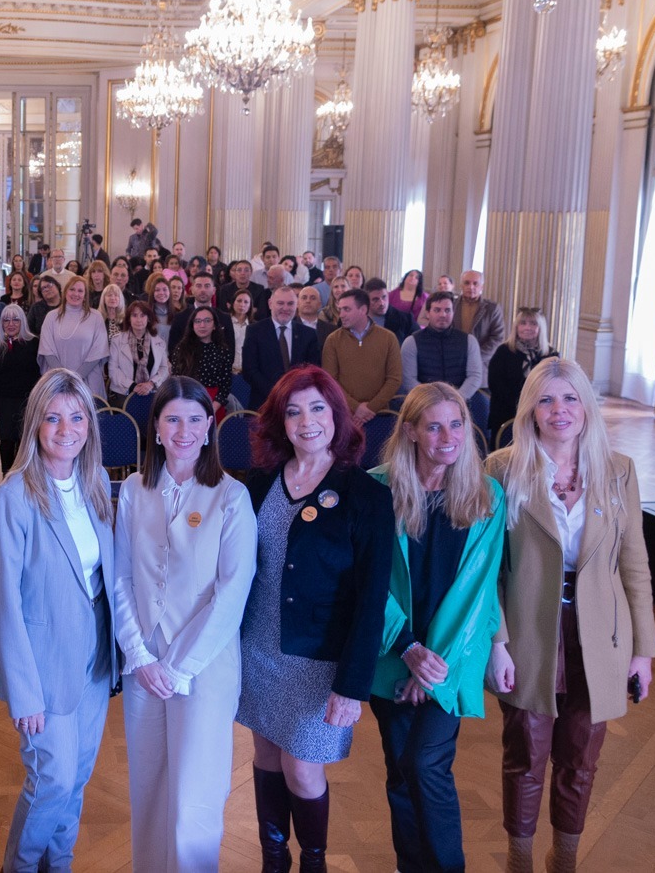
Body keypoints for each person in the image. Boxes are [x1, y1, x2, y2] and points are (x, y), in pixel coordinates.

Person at [484, 358, 655, 873]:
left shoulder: (618, 469)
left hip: (599, 637)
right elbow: (487, 570)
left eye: (570, 398)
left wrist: (644, 651)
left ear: (586, 406)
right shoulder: (501, 468)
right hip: (527, 635)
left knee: (581, 758)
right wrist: (497, 642)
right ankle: (519, 861)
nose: (559, 411)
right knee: (525, 756)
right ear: (530, 411)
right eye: (546, 400)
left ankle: (565, 860)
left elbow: (636, 565)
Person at [239, 365, 396, 873]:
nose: (306, 421)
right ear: (279, 421)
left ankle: (314, 863)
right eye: (293, 411)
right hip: (258, 649)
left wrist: (352, 686)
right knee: (265, 759)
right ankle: (273, 860)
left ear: (338, 415)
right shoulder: (259, 482)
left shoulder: (367, 495)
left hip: (321, 662)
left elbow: (373, 600)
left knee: (302, 771)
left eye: (317, 408)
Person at [114, 377, 258, 871]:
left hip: (204, 667)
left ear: (210, 427)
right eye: (172, 418)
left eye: (195, 419)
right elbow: (119, 579)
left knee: (194, 795)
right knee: (149, 787)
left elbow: (232, 592)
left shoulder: (232, 496)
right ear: (155, 428)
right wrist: (139, 655)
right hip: (144, 665)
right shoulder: (134, 490)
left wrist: (178, 668)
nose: (184, 429)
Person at [368, 383, 508, 873]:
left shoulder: (487, 495)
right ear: (410, 431)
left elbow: (479, 593)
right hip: (390, 656)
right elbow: (363, 585)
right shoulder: (375, 489)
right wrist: (407, 649)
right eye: (434, 426)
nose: (448, 436)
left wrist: (431, 669)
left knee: (425, 765)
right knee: (399, 772)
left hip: (451, 660)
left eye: (457, 424)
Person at [0, 368, 118, 873]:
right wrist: (25, 693)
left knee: (78, 776)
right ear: (36, 424)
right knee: (53, 779)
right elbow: (4, 605)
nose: (67, 429)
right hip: (42, 668)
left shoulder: (99, 482)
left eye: (77, 416)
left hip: (94, 660)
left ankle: (58, 865)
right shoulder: (13, 497)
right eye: (54, 418)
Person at [322, 288, 404, 426]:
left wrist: (370, 408)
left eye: (346, 309)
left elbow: (394, 379)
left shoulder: (388, 338)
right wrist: (356, 408)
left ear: (363, 310)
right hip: (345, 415)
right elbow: (330, 380)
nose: (341, 314)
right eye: (340, 309)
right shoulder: (333, 340)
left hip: (381, 415)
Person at [0, 303, 44, 473]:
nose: (11, 323)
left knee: (26, 440)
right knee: (7, 440)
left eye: (15, 319)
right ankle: (7, 476)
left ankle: (26, 476)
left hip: (28, 401)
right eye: (6, 320)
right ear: (1, 323)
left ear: (22, 322)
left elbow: (39, 374)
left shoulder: (34, 343)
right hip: (3, 402)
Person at [242, 285, 323, 410]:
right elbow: (249, 370)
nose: (285, 308)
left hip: (300, 404)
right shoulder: (255, 331)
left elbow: (313, 370)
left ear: (296, 305)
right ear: (270, 304)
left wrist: (294, 394)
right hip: (264, 404)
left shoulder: (308, 334)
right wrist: (277, 394)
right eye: (280, 303)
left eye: (290, 304)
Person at [487, 307, 559, 437]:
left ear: (540, 328)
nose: (527, 327)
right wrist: (522, 408)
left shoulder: (551, 355)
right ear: (516, 327)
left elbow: (555, 386)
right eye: (523, 323)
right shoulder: (504, 351)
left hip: (542, 414)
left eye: (533, 323)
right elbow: (496, 386)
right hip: (506, 414)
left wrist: (534, 407)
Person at [400, 291, 484, 401]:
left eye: (447, 310)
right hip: (423, 403)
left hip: (462, 402)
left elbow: (475, 376)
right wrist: (432, 400)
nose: (443, 315)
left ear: (453, 313)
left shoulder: (469, 341)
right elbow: (408, 379)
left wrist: (456, 399)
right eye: (437, 310)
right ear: (427, 313)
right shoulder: (411, 342)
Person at [38, 273, 109, 399]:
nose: (75, 294)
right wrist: (63, 378)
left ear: (85, 296)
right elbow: (47, 349)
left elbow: (98, 351)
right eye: (72, 289)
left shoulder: (96, 317)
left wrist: (76, 378)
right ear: (65, 292)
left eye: (80, 291)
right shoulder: (51, 317)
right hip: (57, 382)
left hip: (88, 381)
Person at [106, 300, 169, 409]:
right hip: (123, 395)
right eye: (134, 315)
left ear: (148, 318)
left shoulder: (159, 342)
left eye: (142, 315)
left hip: (151, 394)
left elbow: (164, 368)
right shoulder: (117, 340)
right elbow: (113, 370)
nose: (138, 319)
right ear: (129, 319)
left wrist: (151, 384)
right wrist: (132, 386)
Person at [172, 305, 233, 412]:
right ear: (192, 325)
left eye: (207, 320)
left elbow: (225, 386)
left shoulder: (223, 350)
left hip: (213, 403)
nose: (202, 325)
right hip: (185, 401)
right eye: (198, 321)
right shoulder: (181, 348)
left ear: (214, 325)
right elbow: (175, 380)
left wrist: (211, 408)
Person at [458, 270, 507, 364]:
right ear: (461, 285)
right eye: (467, 283)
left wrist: (476, 357)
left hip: (481, 362)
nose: (471, 287)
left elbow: (497, 337)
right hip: (454, 359)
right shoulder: (451, 306)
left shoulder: (492, 308)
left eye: (475, 283)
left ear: (482, 287)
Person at [229, 289, 256, 410]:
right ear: (232, 303)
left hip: (246, 376)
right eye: (239, 301)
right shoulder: (225, 323)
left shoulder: (255, 326)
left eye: (246, 302)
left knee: (245, 410)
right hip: (228, 374)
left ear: (250, 306)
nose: (242, 304)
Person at [366, 278, 416, 344]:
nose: (382, 303)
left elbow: (419, 343)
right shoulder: (359, 319)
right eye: (375, 299)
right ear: (366, 301)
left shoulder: (406, 319)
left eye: (384, 297)